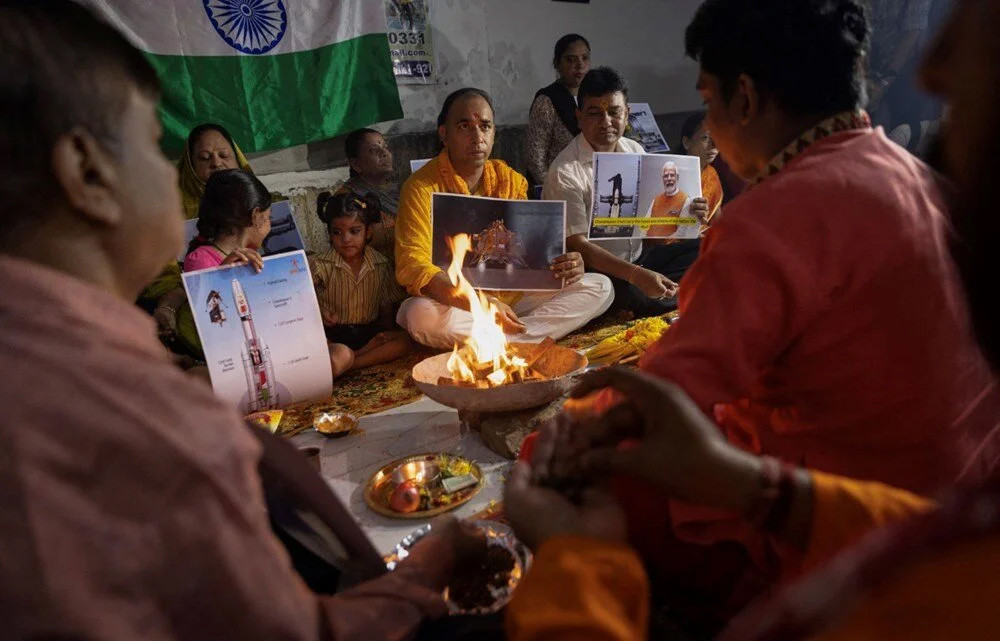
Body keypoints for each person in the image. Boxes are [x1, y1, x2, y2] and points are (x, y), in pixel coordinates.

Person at [0, 3, 486, 639]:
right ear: (88, 172)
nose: (184, 177)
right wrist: (423, 576)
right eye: (154, 144)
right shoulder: (143, 415)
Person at [523, 0, 1000, 632]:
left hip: (857, 515)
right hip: (962, 488)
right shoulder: (917, 175)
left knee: (560, 455)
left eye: (709, 101)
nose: (935, 66)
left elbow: (666, 394)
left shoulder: (776, 214)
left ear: (743, 99)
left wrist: (566, 436)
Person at [394, 87, 613, 349]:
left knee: (600, 286)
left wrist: (567, 262)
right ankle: (525, 338)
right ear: (444, 134)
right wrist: (481, 303)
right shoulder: (420, 188)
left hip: (514, 298)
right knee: (418, 314)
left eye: (485, 126)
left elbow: (531, 251)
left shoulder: (509, 179)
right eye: (465, 126)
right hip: (458, 304)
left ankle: (508, 340)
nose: (477, 136)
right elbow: (414, 265)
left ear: (494, 133)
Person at [543, 67, 710, 318]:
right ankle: (654, 299)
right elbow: (579, 246)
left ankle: (660, 297)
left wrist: (687, 216)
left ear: (627, 113)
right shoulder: (566, 172)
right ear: (578, 117)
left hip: (640, 259)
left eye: (614, 112)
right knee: (620, 291)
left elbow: (651, 226)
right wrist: (636, 275)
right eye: (594, 113)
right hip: (600, 272)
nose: (606, 122)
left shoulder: (635, 151)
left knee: (703, 248)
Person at [311, 191, 410, 379]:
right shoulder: (319, 265)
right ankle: (348, 360)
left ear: (368, 232)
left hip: (367, 336)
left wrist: (386, 333)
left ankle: (352, 363)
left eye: (354, 231)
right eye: (337, 232)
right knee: (338, 355)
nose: (346, 239)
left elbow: (385, 306)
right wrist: (320, 312)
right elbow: (303, 302)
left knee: (404, 341)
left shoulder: (380, 263)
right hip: (334, 337)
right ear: (329, 234)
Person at [524, 34, 591, 186]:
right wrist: (551, 189)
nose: (580, 65)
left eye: (585, 58)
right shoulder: (547, 101)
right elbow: (535, 156)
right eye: (571, 60)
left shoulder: (593, 98)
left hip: (590, 184)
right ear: (557, 64)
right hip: (560, 185)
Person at [183, 169, 269, 273]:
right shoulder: (200, 261)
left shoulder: (250, 256)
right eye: (269, 218)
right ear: (255, 216)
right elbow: (208, 289)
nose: (270, 226)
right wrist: (223, 273)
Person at [334, 128, 400, 261]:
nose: (384, 153)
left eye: (385, 147)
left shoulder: (404, 188)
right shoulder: (346, 200)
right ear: (356, 164)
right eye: (373, 150)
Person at [178, 122, 253, 220]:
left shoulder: (260, 202)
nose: (217, 163)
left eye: (224, 155)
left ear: (238, 160)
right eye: (204, 158)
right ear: (190, 167)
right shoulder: (171, 214)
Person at [680, 110, 723, 224]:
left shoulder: (711, 174)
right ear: (686, 142)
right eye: (705, 138)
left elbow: (717, 221)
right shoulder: (670, 174)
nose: (714, 145)